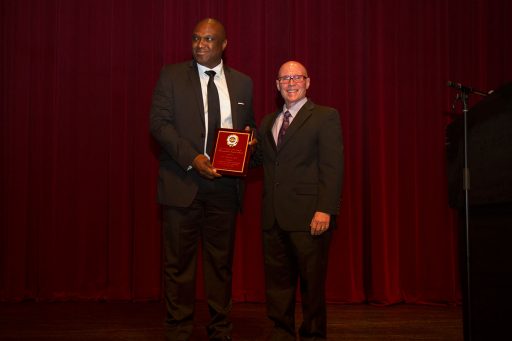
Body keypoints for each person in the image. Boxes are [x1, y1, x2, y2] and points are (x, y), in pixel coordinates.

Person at [149, 18, 254, 341]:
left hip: (224, 187)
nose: (200, 45)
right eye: (196, 38)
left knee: (220, 265)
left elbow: (246, 126)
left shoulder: (243, 83)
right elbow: (159, 124)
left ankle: (220, 329)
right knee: (178, 265)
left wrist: (250, 138)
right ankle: (178, 329)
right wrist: (192, 158)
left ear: (224, 45)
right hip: (183, 182)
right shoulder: (171, 75)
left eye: (209, 40)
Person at [256, 61, 344, 340]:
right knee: (277, 283)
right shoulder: (268, 121)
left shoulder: (325, 116)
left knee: (312, 283)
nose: (290, 83)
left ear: (308, 82)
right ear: (276, 85)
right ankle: (281, 331)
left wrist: (325, 209)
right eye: (284, 79)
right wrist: (237, 149)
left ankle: (313, 334)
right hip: (273, 216)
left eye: (296, 77)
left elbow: (333, 166)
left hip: (309, 217)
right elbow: (264, 161)